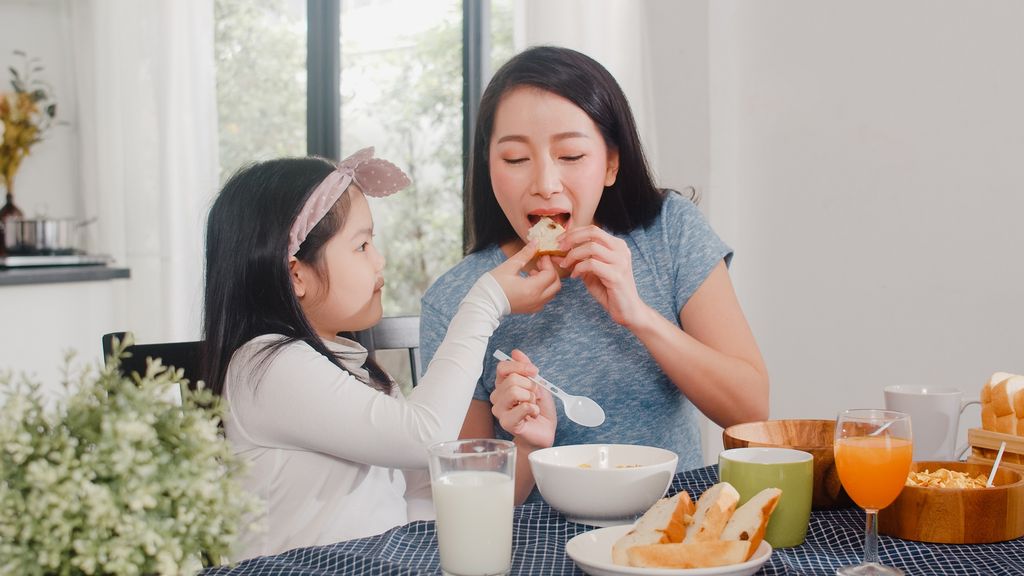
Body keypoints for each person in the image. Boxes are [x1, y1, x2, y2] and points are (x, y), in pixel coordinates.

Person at [420, 46, 769, 505]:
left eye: (569, 154)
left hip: (673, 526)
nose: (544, 183)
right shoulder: (456, 301)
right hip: (537, 549)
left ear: (610, 164)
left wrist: (638, 314)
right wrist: (523, 443)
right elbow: (471, 507)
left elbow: (752, 412)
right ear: (488, 168)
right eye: (514, 159)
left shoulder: (669, 232)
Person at [201, 148, 560, 559]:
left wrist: (526, 448)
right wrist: (485, 300)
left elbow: (427, 505)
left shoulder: (358, 372)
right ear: (296, 273)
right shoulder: (263, 366)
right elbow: (424, 436)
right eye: (362, 245)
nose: (380, 259)